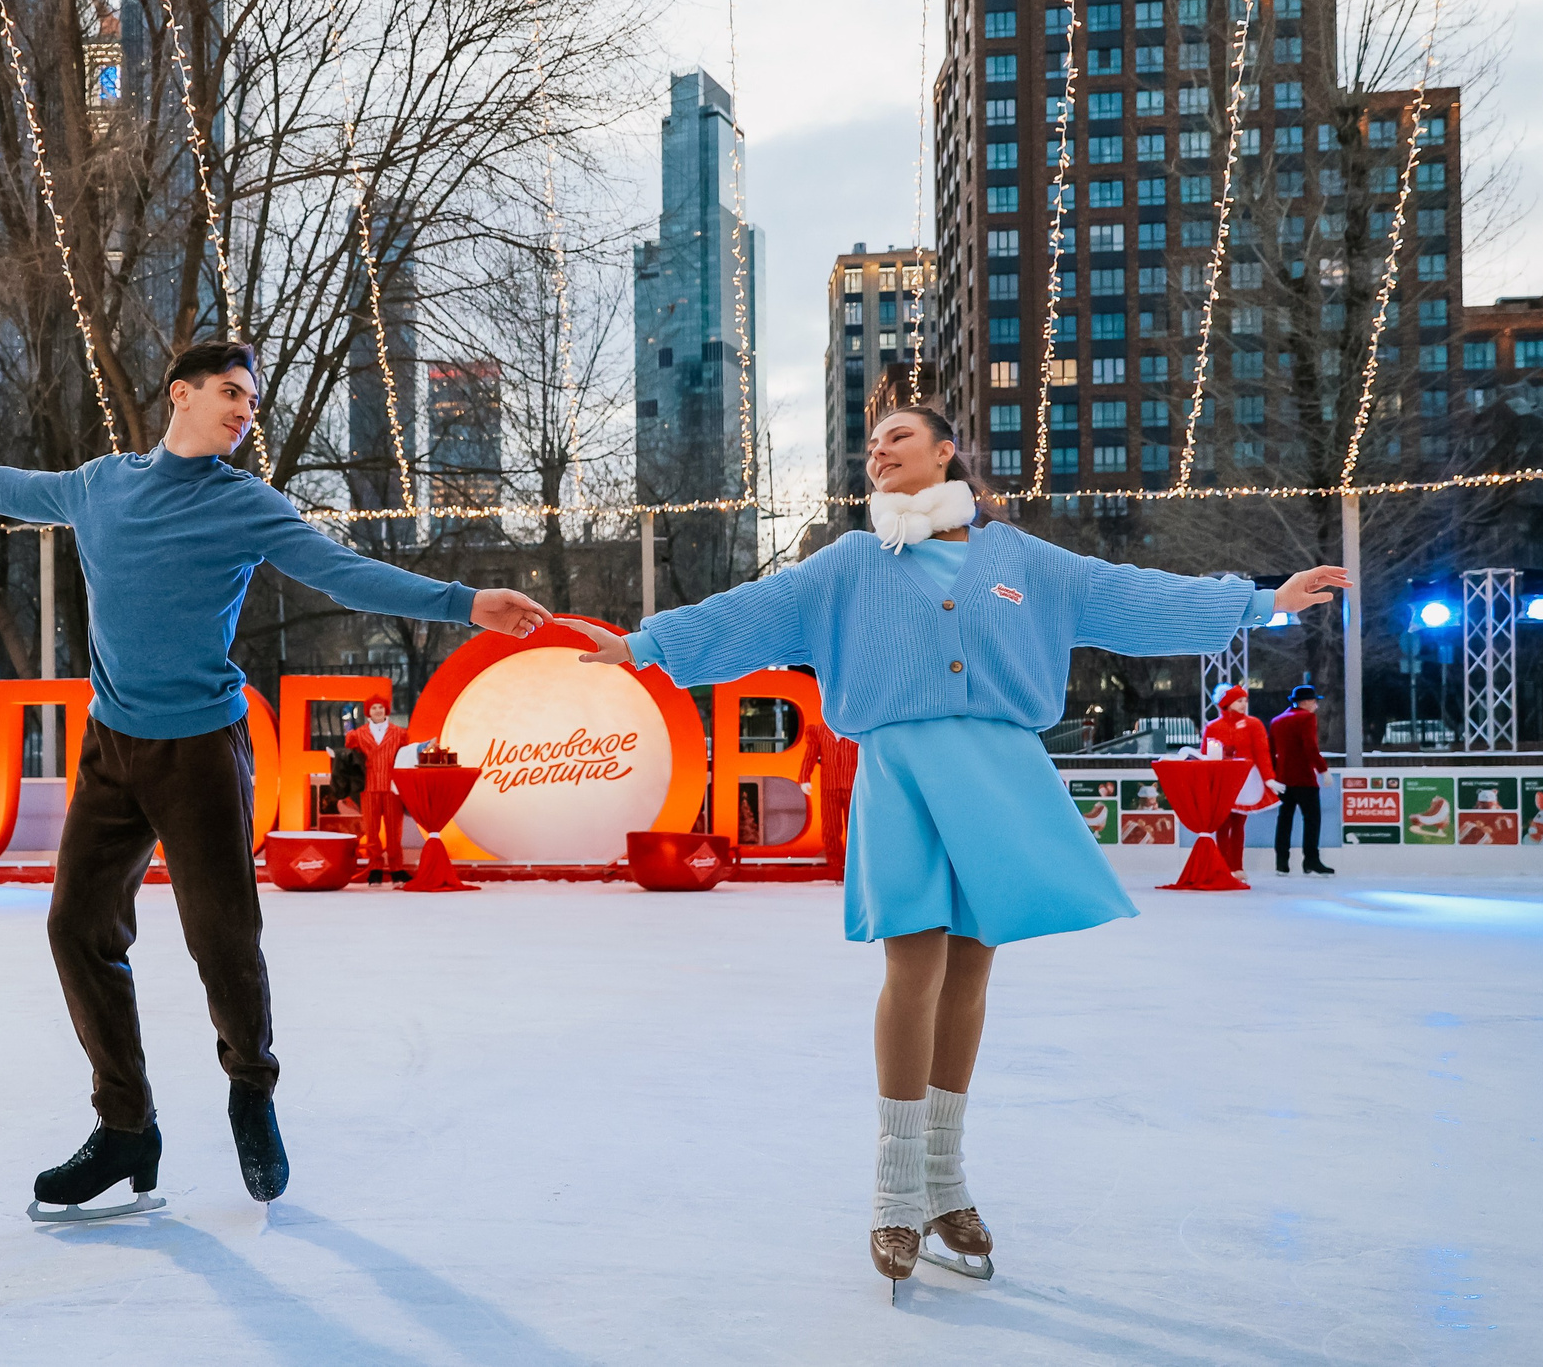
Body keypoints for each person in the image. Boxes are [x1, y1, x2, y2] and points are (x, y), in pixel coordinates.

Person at [553, 406, 1345, 1289]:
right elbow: (752, 610)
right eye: (870, 445)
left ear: (945, 452)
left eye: (897, 437)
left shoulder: (1021, 559)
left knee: (971, 969)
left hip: (1001, 773)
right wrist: (643, 645)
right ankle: (896, 1193)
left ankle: (947, 1184)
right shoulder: (853, 563)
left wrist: (1258, 600)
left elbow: (1126, 593)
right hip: (900, 775)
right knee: (914, 963)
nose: (878, 452)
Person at [0, 340, 549, 1220]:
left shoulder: (245, 503)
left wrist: (464, 602)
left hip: (203, 752)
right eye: (229, 392)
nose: (243, 409)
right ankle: (127, 1127)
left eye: (251, 401)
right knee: (75, 928)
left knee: (222, 940)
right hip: (111, 748)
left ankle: (251, 1088)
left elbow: (342, 570)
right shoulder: (101, 486)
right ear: (179, 393)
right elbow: (11, 487)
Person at [1201, 684, 1278, 884]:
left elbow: (1262, 751)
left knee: (1238, 823)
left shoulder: (1254, 724)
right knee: (1223, 822)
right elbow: (1205, 756)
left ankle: (1236, 866)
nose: (1243, 705)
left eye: (1245, 701)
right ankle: (1224, 865)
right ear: (1227, 703)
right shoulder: (1213, 727)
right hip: (1223, 779)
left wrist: (1268, 777)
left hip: (1246, 779)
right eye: (1239, 701)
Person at [1266, 684, 1333, 876]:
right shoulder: (1307, 718)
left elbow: (1271, 750)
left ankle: (1281, 862)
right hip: (1304, 778)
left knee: (1284, 820)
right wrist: (1323, 769)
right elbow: (1310, 747)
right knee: (1312, 820)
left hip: (1283, 779)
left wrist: (1273, 774)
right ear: (1306, 702)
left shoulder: (1277, 721)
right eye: (1314, 702)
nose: (1316, 706)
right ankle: (1311, 859)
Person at [346, 697, 410, 883]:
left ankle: (397, 868)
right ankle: (375, 868)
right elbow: (349, 756)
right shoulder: (357, 735)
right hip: (369, 786)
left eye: (380, 707)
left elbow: (405, 757)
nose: (377, 710)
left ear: (386, 709)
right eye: (373, 707)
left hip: (391, 787)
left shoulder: (400, 733)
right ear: (368, 711)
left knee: (394, 831)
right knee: (372, 831)